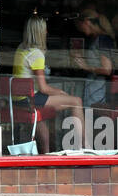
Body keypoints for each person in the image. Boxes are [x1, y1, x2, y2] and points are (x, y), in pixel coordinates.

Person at [13, 14, 84, 153]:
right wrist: (61, 93)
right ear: (39, 32)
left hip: (17, 99)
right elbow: (43, 88)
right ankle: (84, 147)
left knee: (42, 117)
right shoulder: (36, 54)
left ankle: (46, 152)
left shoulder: (21, 48)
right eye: (45, 29)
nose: (47, 32)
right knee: (76, 101)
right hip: (29, 99)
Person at [71, 4, 114, 109]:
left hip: (99, 92)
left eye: (80, 25)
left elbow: (107, 69)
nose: (80, 28)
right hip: (93, 89)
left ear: (87, 22)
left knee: (94, 121)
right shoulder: (96, 39)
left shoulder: (103, 39)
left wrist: (86, 67)